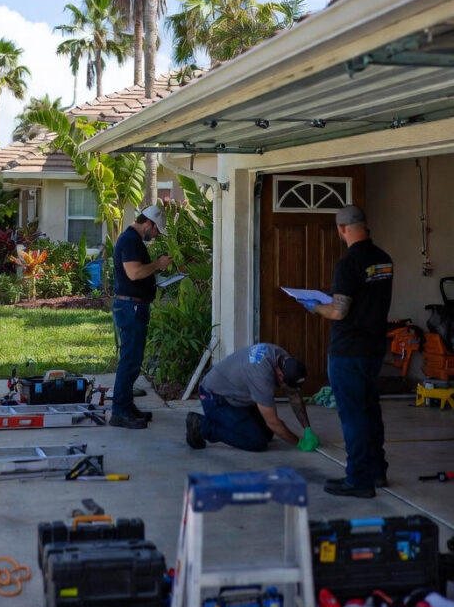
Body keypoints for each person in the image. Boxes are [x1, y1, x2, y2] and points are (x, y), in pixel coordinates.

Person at [300, 204, 393, 499]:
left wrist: (314, 306)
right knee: (369, 410)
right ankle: (377, 471)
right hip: (374, 348)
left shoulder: (348, 264)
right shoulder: (384, 260)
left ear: (342, 229)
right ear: (365, 224)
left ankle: (358, 479)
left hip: (348, 350)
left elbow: (339, 312)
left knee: (353, 415)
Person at [185, 343, 319, 453]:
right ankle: (202, 425)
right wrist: (298, 442)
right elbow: (272, 422)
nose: (290, 390)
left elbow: (294, 396)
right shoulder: (261, 377)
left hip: (237, 396)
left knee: (267, 434)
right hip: (215, 398)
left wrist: (307, 429)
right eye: (288, 386)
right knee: (257, 442)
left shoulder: (283, 359)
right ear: (280, 375)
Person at [111, 204, 172, 429]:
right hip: (130, 308)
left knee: (134, 361)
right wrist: (158, 264)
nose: (155, 235)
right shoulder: (129, 240)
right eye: (156, 230)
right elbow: (134, 273)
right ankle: (119, 411)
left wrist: (156, 269)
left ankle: (126, 406)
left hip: (134, 307)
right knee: (129, 360)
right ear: (148, 223)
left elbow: (138, 271)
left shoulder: (133, 241)